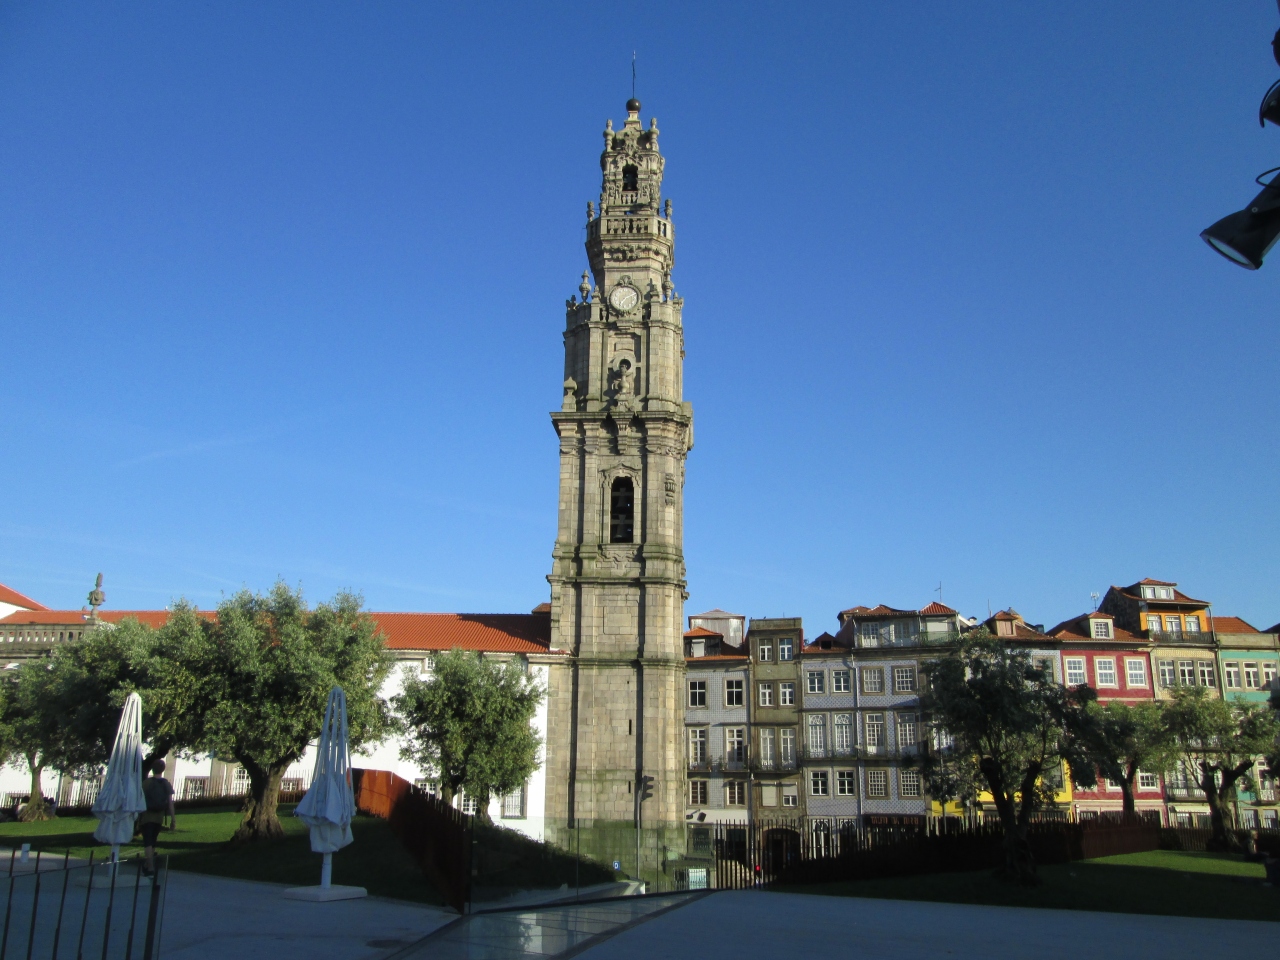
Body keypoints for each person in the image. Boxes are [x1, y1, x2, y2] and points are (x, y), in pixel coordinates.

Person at [139, 760, 176, 877]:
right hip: (159, 817)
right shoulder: (166, 784)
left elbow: (139, 800)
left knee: (148, 842)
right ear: (163, 769)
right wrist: (173, 819)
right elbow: (170, 803)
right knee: (153, 841)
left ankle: (150, 867)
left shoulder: (146, 783)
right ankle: (148, 864)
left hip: (147, 816)